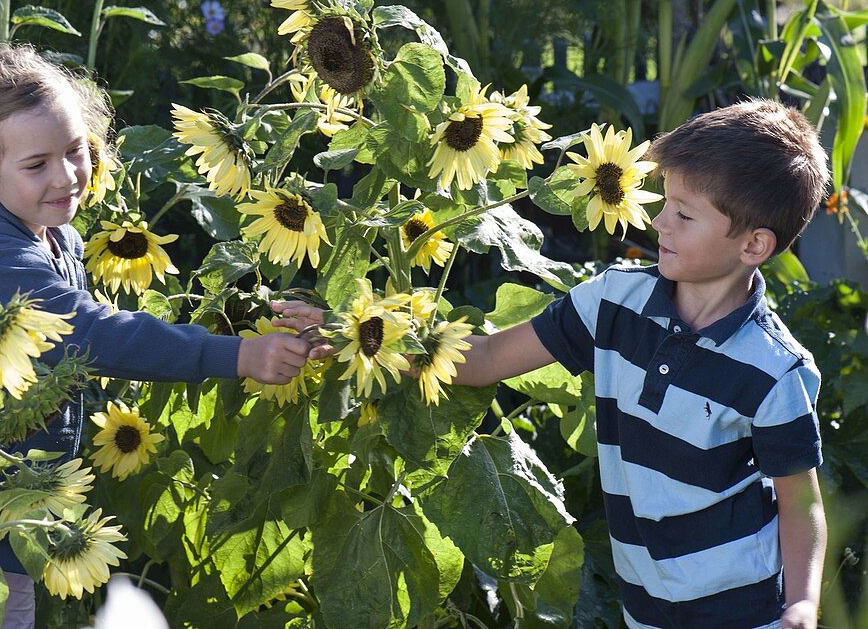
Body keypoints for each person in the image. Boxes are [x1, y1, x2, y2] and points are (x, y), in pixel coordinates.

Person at [276, 99, 829, 629]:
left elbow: (799, 501)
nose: (659, 223)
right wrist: (358, 335)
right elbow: (488, 357)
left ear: (754, 245)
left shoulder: (773, 372)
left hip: (741, 612)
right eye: (665, 204)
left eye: (683, 214)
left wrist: (803, 604)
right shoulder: (613, 304)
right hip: (645, 606)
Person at [0, 44, 313, 628]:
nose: (68, 177)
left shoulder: (52, 238)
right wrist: (237, 354)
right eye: (37, 165)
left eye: (76, 153)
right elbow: (92, 333)